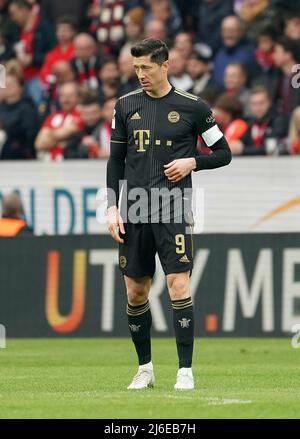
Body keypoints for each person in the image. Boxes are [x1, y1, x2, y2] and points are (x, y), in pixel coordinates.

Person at [106, 38, 231, 391]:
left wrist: (194, 161)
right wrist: (112, 207)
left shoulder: (193, 107)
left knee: (178, 285)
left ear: (165, 65)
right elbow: (115, 161)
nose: (141, 74)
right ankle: (145, 368)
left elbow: (224, 152)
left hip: (173, 208)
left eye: (146, 67)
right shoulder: (125, 106)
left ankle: (185, 371)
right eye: (136, 69)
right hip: (132, 210)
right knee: (136, 293)